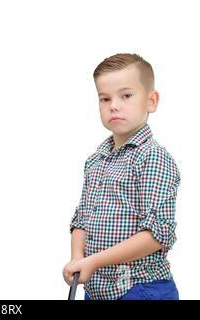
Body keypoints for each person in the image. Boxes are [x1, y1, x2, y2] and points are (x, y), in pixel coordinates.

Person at [62, 54, 180, 300]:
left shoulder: (153, 157)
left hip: (141, 288)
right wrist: (77, 259)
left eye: (126, 95)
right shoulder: (95, 160)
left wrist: (94, 261)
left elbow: (156, 234)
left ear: (151, 101)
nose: (113, 105)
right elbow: (82, 217)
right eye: (104, 98)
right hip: (97, 290)